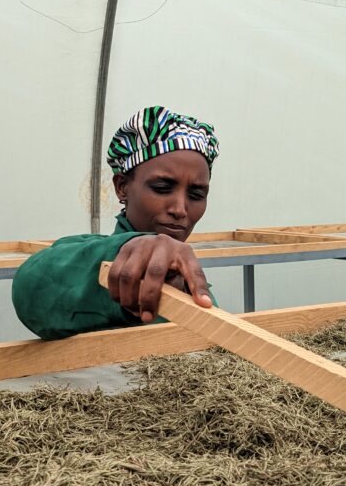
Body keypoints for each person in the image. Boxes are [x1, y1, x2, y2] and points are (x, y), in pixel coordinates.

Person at [12, 106, 218, 339]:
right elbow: (31, 288)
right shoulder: (84, 254)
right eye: (162, 188)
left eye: (196, 195)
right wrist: (129, 250)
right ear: (122, 187)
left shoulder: (192, 285)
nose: (180, 209)